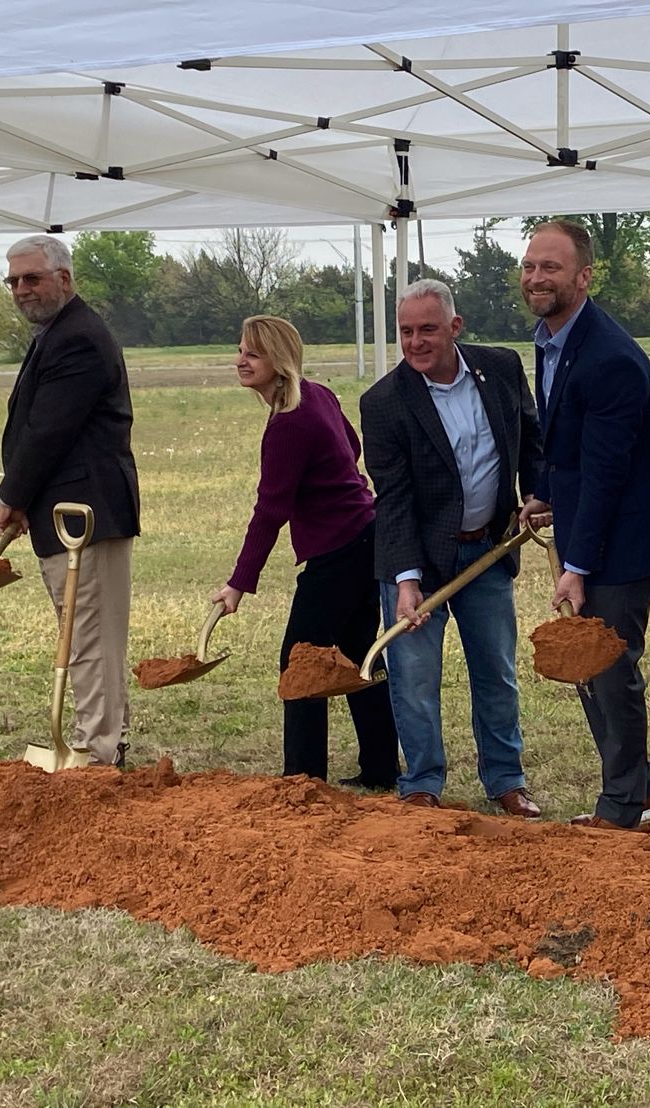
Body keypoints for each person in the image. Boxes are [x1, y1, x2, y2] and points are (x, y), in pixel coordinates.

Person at [516, 220, 650, 831]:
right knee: (594, 668)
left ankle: (622, 809)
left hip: (626, 540)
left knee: (608, 667)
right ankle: (642, 794)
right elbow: (572, 445)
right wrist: (546, 493)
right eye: (531, 265)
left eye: (551, 267)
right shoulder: (551, 338)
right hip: (591, 526)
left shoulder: (610, 358)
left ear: (583, 277)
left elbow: (609, 471)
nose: (537, 277)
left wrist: (577, 566)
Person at [359, 279, 543, 816]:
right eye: (406, 331)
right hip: (420, 563)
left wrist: (536, 493)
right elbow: (391, 499)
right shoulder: (385, 403)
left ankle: (507, 781)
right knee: (414, 680)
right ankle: (421, 783)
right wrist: (406, 581)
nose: (415, 342)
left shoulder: (502, 368)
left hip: (487, 552)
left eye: (428, 330)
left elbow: (531, 438)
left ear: (455, 328)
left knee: (497, 672)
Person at [212, 315, 400, 788]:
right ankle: (380, 769)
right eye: (240, 350)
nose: (241, 361)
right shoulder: (319, 395)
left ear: (278, 361)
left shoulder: (288, 423)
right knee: (359, 655)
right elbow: (352, 447)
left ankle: (302, 778)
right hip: (365, 536)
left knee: (301, 663)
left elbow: (270, 510)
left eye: (252, 353)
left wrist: (239, 584)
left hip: (338, 552)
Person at [0, 234, 139, 767]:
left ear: (64, 278)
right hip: (66, 512)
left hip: (86, 513)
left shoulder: (77, 337)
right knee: (82, 632)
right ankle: (103, 739)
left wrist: (11, 494)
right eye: (13, 281)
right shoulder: (56, 332)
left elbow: (48, 430)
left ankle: (98, 754)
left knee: (89, 637)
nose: (21, 289)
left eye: (31, 278)